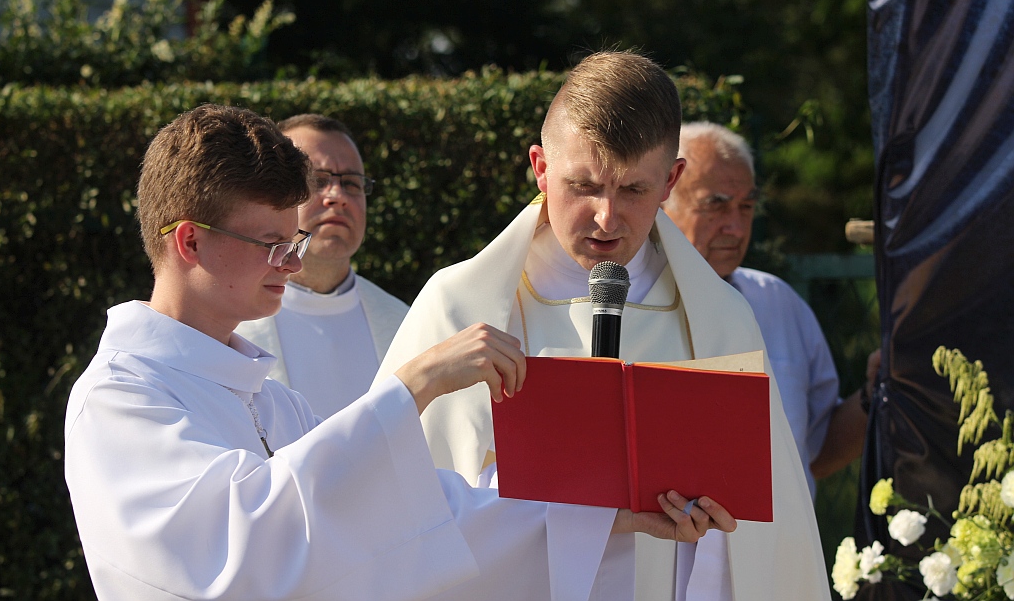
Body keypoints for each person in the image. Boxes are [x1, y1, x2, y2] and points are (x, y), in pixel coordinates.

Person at [64, 103, 735, 601]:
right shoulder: (122, 396)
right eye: (272, 245)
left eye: (289, 245)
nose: (289, 266)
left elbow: (425, 519)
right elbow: (242, 548)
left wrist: (603, 513)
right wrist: (412, 385)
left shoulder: (270, 400)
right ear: (189, 241)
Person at [372, 51, 831, 601]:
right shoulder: (459, 306)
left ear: (671, 181)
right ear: (541, 168)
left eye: (634, 190)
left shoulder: (721, 322)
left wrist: (709, 532)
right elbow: (392, 507)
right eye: (584, 186)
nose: (607, 218)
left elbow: (764, 546)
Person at [660, 122, 876, 497]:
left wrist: (878, 391)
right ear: (663, 202)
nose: (737, 228)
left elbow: (817, 450)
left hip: (776, 550)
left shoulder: (777, 303)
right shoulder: (621, 308)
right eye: (717, 206)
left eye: (746, 207)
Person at [235, 114, 408, 418]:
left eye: (352, 183)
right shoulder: (229, 322)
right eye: (317, 181)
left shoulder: (403, 323)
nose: (338, 197)